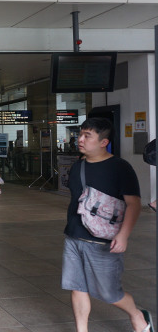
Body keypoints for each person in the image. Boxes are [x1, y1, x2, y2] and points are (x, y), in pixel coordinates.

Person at [61, 118, 152, 332]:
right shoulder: (78, 166)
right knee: (77, 287)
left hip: (103, 241)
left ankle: (137, 315)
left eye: (87, 136)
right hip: (74, 236)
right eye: (80, 134)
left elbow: (134, 204)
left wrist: (123, 235)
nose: (80, 140)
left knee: (109, 293)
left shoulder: (120, 168)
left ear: (103, 142)